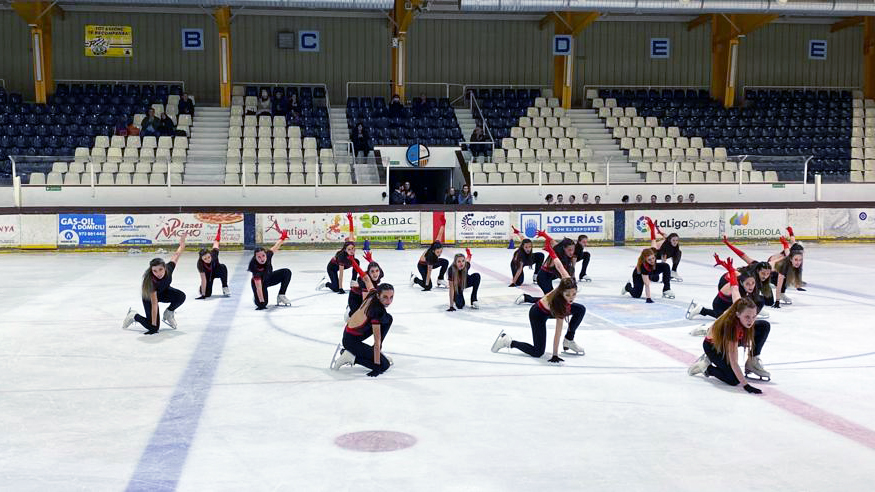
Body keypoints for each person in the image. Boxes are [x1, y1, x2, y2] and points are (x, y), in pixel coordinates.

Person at [687, 296, 771, 391]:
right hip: (714, 347)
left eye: (754, 316)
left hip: (725, 338)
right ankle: (706, 367)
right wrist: (746, 385)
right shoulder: (731, 326)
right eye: (747, 317)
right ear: (738, 314)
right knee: (733, 379)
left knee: (764, 326)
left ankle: (752, 361)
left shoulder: (741, 316)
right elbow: (734, 362)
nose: (751, 320)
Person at [491, 277, 587, 360]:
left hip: (549, 311)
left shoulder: (566, 285)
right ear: (561, 292)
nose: (571, 298)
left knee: (580, 309)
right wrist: (555, 355)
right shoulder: (559, 304)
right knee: (538, 352)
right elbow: (558, 331)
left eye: (574, 294)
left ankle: (569, 340)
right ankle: (508, 342)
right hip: (537, 314)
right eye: (567, 295)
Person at [121, 236, 186, 335]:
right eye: (154, 271)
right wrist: (153, 325)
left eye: (160, 269)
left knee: (181, 296)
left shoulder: (169, 268)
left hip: (164, 291)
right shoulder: (151, 282)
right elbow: (154, 304)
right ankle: (133, 315)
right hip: (149, 298)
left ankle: (169, 313)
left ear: (165, 267)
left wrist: (182, 244)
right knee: (154, 328)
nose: (158, 273)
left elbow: (177, 255)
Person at [331, 283, 396, 377]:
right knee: (384, 365)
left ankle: (372, 354)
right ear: (378, 295)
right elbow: (377, 340)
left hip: (352, 333)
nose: (388, 301)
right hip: (351, 342)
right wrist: (376, 366)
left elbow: (366, 279)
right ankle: (351, 357)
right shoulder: (377, 311)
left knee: (388, 318)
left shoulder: (373, 292)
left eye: (391, 297)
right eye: (385, 297)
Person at [517, 231, 575, 303]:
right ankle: (527, 298)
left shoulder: (559, 248)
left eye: (573, 250)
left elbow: (552, 241)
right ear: (563, 248)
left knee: (554, 298)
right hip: (543, 277)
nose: (571, 252)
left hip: (551, 275)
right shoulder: (557, 254)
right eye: (569, 250)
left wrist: (544, 235)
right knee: (551, 300)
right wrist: (568, 280)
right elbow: (560, 269)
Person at [249, 230, 292, 309]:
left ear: (266, 254)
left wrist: (282, 238)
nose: (262, 258)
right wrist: (261, 302)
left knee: (286, 272)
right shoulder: (255, 268)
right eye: (259, 257)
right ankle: (256, 298)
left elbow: (276, 246)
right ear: (255, 258)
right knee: (263, 304)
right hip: (260, 285)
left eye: (263, 255)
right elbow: (259, 287)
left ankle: (281, 295)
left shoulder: (268, 255)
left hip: (269, 278)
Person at [196, 226, 229, 299]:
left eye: (208, 257)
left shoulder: (214, 254)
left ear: (210, 255)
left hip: (217, 270)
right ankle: (202, 289)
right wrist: (203, 295)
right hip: (208, 276)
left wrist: (219, 229)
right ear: (202, 259)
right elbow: (203, 279)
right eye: (205, 259)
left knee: (223, 267)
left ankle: (225, 287)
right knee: (207, 294)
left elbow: (216, 242)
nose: (208, 259)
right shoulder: (200, 264)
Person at [346, 251, 383, 318]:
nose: (375, 274)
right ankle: (349, 309)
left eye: (377, 271)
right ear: (368, 272)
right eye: (372, 271)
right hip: (355, 298)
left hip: (366, 292)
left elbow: (375, 266)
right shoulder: (364, 281)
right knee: (359, 316)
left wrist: (370, 260)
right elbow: (365, 302)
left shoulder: (380, 274)